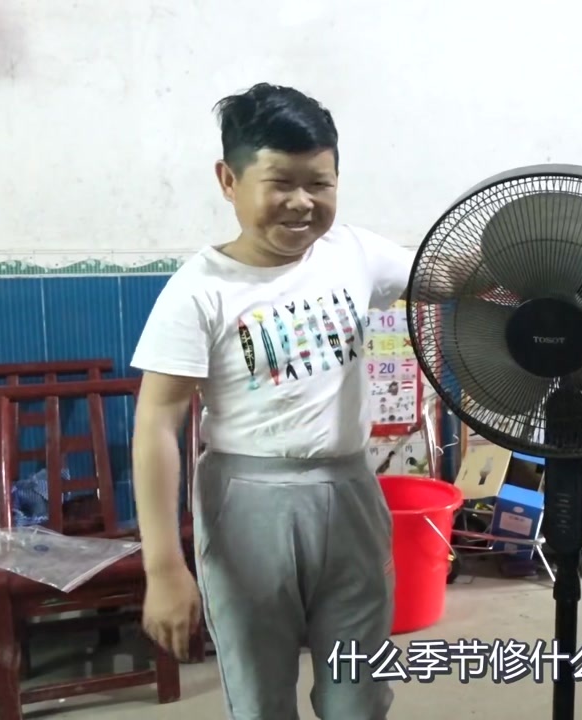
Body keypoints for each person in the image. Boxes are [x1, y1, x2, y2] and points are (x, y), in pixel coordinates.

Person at [130, 82, 415, 720]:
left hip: (350, 491)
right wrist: (163, 566)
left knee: (360, 694)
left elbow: (446, 276)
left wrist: (535, 263)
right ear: (228, 180)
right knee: (261, 699)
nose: (302, 202)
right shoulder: (198, 291)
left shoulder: (355, 253)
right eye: (281, 182)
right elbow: (157, 424)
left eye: (319, 184)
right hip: (247, 503)